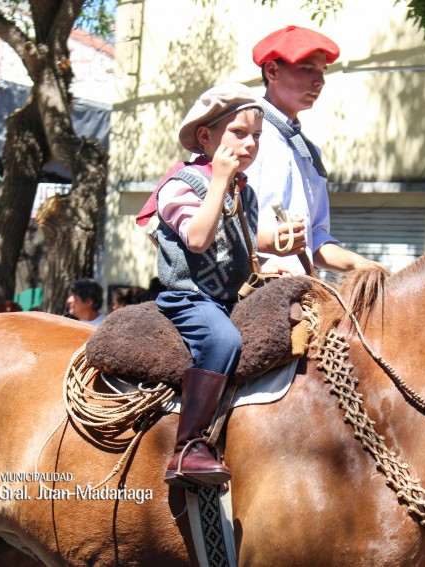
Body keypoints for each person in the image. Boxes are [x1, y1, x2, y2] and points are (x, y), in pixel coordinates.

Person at [140, 83, 263, 488]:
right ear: (206, 137)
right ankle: (188, 447)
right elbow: (197, 239)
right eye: (238, 133)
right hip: (190, 297)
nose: (249, 144)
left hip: (230, 298)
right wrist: (219, 181)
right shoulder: (182, 184)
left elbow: (236, 249)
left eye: (256, 137)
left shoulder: (247, 193)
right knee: (222, 342)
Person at [246, 25, 382, 275]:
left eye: (322, 72)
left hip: (297, 290)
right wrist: (267, 255)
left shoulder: (309, 152)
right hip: (246, 289)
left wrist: (363, 266)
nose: (319, 81)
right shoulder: (240, 135)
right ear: (272, 71)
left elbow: (315, 239)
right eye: (307, 69)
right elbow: (213, 225)